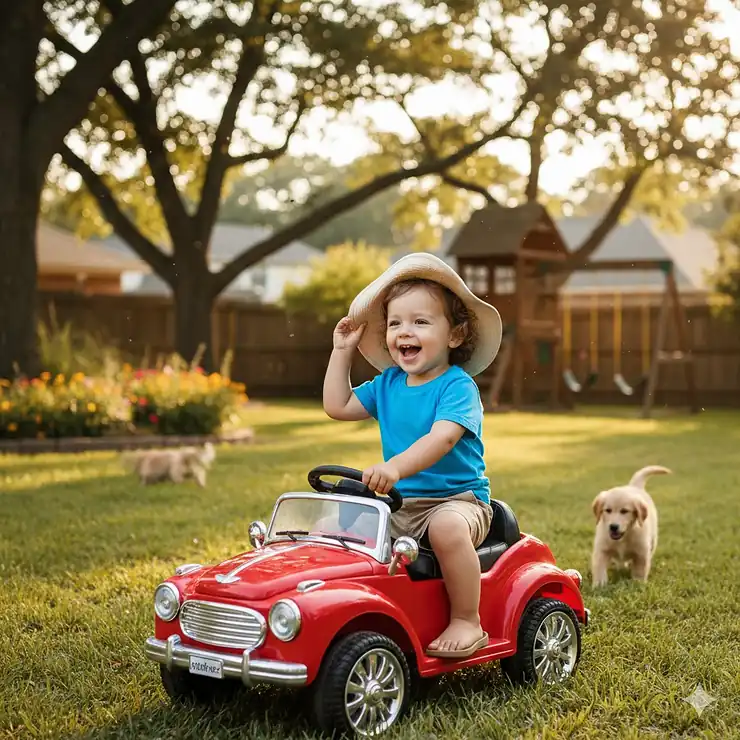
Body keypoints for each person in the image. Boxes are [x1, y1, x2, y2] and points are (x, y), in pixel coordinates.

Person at [322, 252, 502, 659]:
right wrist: (341, 352)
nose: (406, 331)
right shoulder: (387, 384)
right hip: (400, 503)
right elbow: (338, 405)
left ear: (455, 335)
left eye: (421, 322)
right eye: (395, 323)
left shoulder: (457, 387)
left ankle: (466, 620)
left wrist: (394, 467)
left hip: (459, 500)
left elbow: (441, 440)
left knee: (446, 530)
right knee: (340, 523)